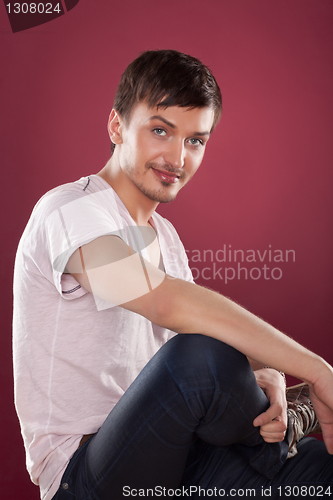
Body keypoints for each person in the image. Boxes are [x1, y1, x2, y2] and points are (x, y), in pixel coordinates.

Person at [13, 50, 333, 500]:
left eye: (196, 140)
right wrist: (317, 371)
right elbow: (169, 305)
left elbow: (210, 323)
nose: (177, 157)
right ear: (117, 126)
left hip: (176, 459)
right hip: (86, 476)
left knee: (319, 475)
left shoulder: (165, 236)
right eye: (160, 130)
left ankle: (288, 439)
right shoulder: (69, 211)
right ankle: (280, 446)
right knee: (199, 359)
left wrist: (274, 374)